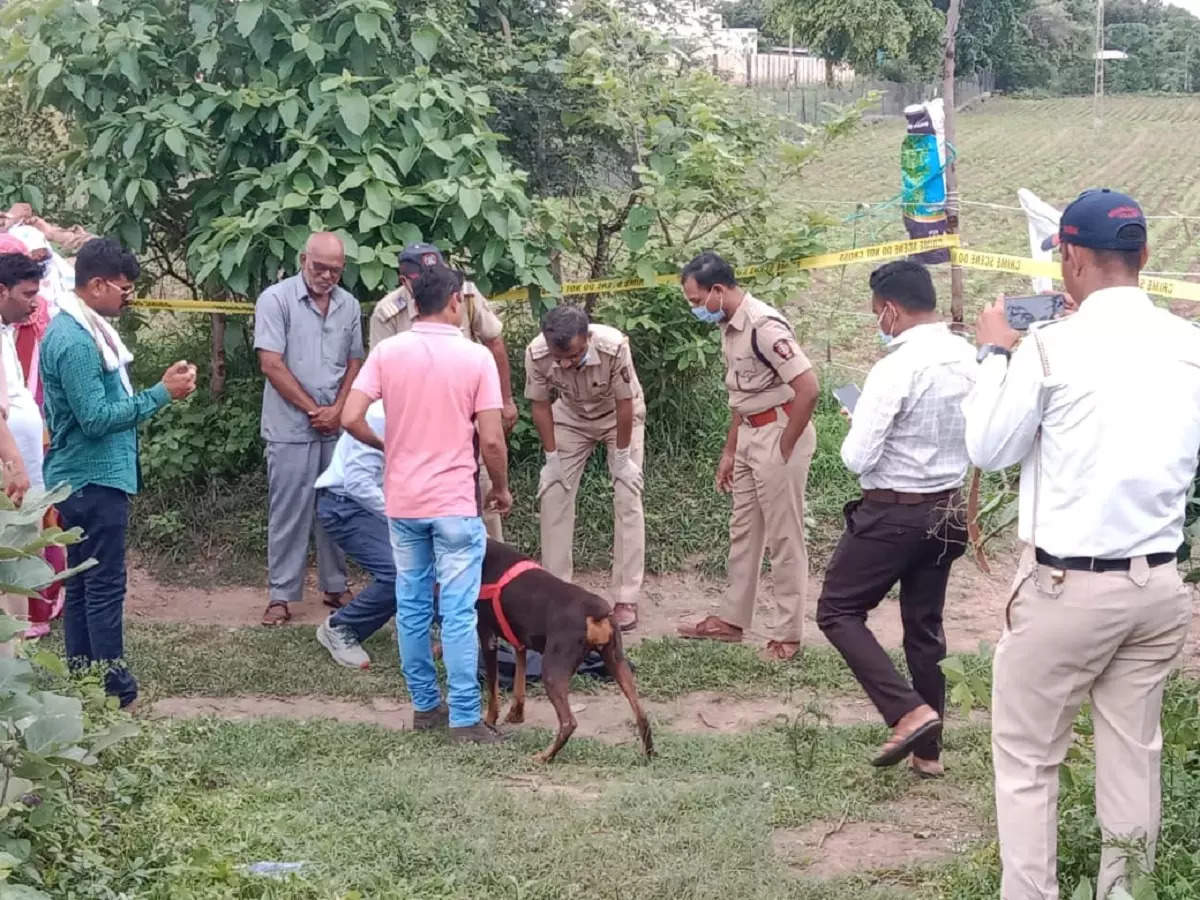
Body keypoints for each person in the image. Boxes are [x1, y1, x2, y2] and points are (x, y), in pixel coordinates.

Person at [964, 188, 1200, 900]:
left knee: (1029, 761)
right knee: (1134, 756)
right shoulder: (1190, 345)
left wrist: (991, 352)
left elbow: (989, 446)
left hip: (1067, 590)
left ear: (1066, 259)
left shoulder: (1048, 347)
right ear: (1145, 258)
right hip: (1158, 586)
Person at [815, 260, 974, 776]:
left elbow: (857, 458)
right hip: (949, 511)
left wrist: (859, 423)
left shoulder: (896, 368)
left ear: (890, 309)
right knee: (924, 627)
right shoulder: (967, 355)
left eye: (875, 313)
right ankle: (929, 754)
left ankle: (907, 712)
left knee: (838, 611)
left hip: (894, 512)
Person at [342, 265, 512, 743]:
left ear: (413, 303)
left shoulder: (388, 352)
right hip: (454, 500)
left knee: (412, 605)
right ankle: (464, 718)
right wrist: (499, 488)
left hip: (403, 501)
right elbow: (493, 441)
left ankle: (425, 706)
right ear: (456, 301)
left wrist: (386, 445)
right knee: (458, 612)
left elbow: (351, 416)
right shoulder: (476, 358)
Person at [41, 238, 196, 708]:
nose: (129, 298)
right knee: (102, 583)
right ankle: (111, 683)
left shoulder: (82, 329)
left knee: (84, 581)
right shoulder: (74, 340)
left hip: (86, 478)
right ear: (96, 284)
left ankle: (86, 677)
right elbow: (95, 417)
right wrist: (159, 394)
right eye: (124, 290)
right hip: (90, 480)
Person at [676, 251, 820, 662]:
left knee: (783, 536)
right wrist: (730, 449)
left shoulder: (763, 326)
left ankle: (787, 635)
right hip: (749, 434)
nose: (695, 308)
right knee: (744, 529)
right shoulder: (728, 324)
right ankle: (732, 620)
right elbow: (742, 396)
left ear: (718, 291)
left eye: (695, 299)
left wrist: (785, 446)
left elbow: (809, 387)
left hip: (778, 433)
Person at [368, 242, 516, 540]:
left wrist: (506, 400)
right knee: (422, 520)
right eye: (425, 278)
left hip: (469, 416)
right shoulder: (387, 314)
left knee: (485, 501)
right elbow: (379, 384)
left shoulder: (466, 295)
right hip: (418, 430)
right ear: (405, 281)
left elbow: (494, 341)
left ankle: (490, 578)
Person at [254, 232, 363, 626]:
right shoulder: (275, 299)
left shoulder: (349, 305)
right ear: (303, 259)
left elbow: (355, 362)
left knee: (337, 509)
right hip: (289, 426)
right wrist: (315, 409)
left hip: (336, 426)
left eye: (335, 270)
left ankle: (335, 586)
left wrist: (338, 410)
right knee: (289, 512)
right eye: (320, 267)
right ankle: (281, 595)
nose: (327, 276)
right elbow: (271, 363)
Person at [525, 305, 645, 631]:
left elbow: (625, 403)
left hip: (616, 416)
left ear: (587, 338)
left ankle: (625, 596)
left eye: (573, 356)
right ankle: (557, 590)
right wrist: (552, 459)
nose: (564, 364)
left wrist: (621, 460)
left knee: (627, 497)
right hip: (571, 417)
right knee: (553, 495)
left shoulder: (614, 346)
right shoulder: (537, 353)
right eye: (558, 357)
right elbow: (539, 405)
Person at [313, 400, 394, 669]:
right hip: (345, 505)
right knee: (398, 573)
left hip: (383, 503)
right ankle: (339, 627)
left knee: (434, 557)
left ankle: (417, 628)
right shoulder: (379, 414)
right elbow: (358, 484)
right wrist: (404, 519)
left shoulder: (429, 408)